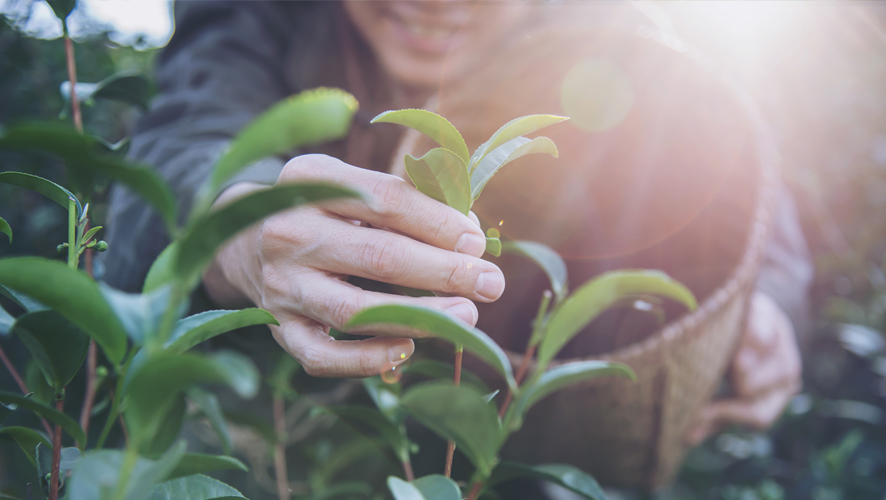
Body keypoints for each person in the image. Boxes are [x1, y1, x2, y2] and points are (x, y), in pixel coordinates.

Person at [102, 0, 811, 485]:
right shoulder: (254, 17)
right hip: (303, 412)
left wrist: (768, 306)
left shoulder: (617, 26)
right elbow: (185, 138)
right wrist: (243, 223)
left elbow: (742, 184)